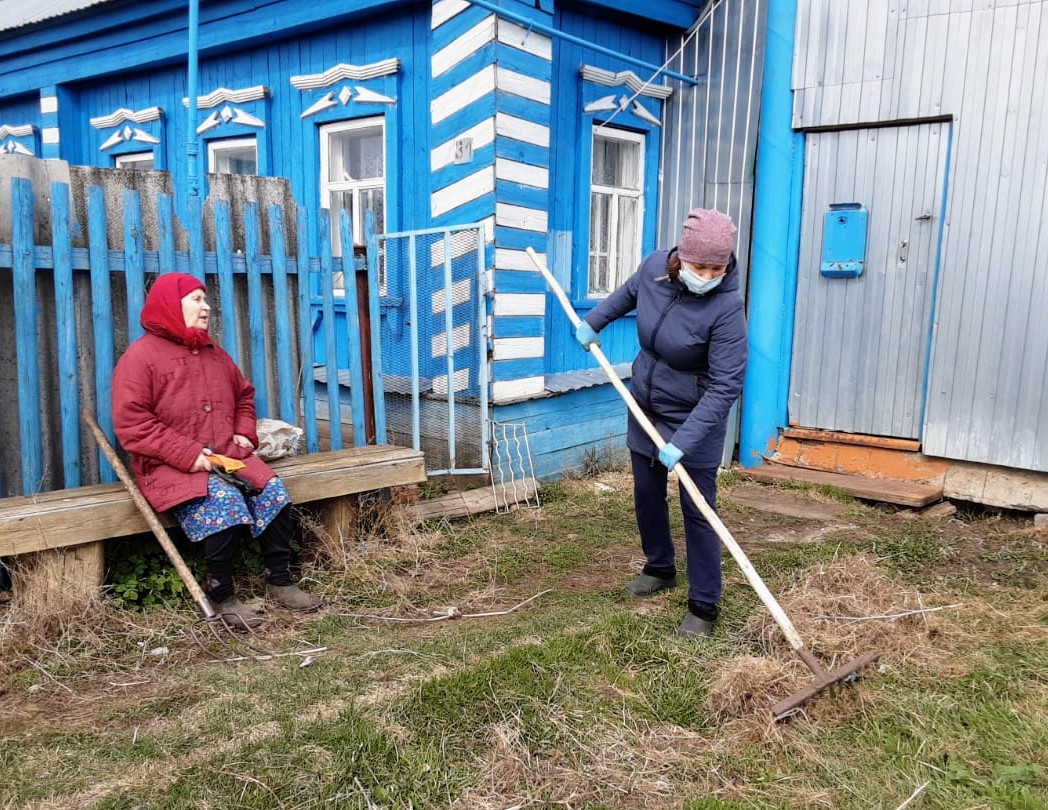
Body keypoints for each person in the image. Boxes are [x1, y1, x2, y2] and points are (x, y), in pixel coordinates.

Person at [112, 272, 321, 628]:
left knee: (273, 491)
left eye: (204, 299)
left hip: (226, 454)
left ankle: (280, 581)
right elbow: (133, 425)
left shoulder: (213, 352)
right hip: (169, 465)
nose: (206, 306)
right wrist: (188, 455)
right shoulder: (140, 358)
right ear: (170, 305)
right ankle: (221, 596)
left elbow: (244, 395)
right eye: (195, 299)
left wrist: (243, 433)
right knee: (222, 502)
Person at [575, 208, 747, 638]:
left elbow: (726, 386)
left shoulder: (727, 307)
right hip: (647, 402)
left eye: (717, 267)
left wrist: (684, 441)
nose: (708, 274)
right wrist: (593, 321)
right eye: (699, 265)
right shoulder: (654, 267)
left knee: (699, 509)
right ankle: (660, 567)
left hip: (696, 417)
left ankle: (704, 606)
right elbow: (629, 293)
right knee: (647, 494)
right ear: (680, 258)